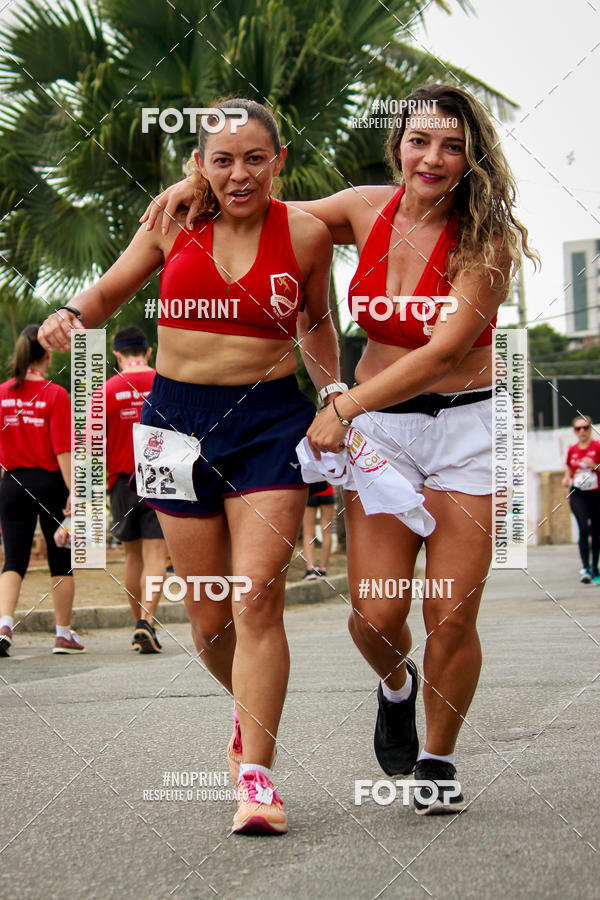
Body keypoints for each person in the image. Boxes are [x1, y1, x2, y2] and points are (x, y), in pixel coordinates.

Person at [141, 82, 538, 815]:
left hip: (464, 428)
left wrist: (340, 403)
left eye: (453, 146)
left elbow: (446, 352)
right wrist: (195, 179)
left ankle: (438, 758)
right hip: (384, 431)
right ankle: (396, 685)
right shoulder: (361, 208)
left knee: (449, 612)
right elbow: (255, 203)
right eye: (420, 141)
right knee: (375, 615)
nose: (434, 157)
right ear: (399, 147)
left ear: (471, 158)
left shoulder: (486, 240)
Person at [38, 98, 339, 835]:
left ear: (280, 161)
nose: (240, 174)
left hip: (268, 423)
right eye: (223, 159)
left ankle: (260, 779)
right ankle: (246, 711)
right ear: (199, 164)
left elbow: (317, 321)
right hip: (173, 429)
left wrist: (334, 395)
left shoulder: (304, 234)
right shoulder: (173, 222)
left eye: (255, 158)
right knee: (208, 621)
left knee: (257, 596)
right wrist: (73, 315)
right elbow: (108, 292)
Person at [0, 324, 84, 656]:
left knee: (13, 559)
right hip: (50, 484)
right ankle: (63, 634)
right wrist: (73, 491)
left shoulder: (2, 393)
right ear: (47, 353)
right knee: (61, 559)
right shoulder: (55, 394)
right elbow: (63, 450)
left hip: (12, 485)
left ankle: (4, 624)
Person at [103, 325, 168, 651]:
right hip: (159, 477)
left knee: (132, 558)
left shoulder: (106, 390)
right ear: (148, 351)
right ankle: (148, 620)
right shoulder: (163, 381)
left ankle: (139, 623)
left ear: (117, 354)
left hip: (121, 484)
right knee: (156, 554)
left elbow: (91, 442)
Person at [562, 415, 600, 584]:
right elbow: (569, 468)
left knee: (596, 531)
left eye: (585, 428)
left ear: (590, 429)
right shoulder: (573, 449)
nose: (582, 431)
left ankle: (595, 567)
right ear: (575, 431)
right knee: (584, 528)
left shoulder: (597, 447)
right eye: (578, 429)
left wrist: (594, 466)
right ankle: (585, 568)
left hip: (596, 493)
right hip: (578, 493)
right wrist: (566, 478)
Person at [302, 482, 335, 579]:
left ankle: (310, 569)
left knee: (308, 533)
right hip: (328, 492)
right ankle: (323, 569)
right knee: (327, 533)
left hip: (310, 492)